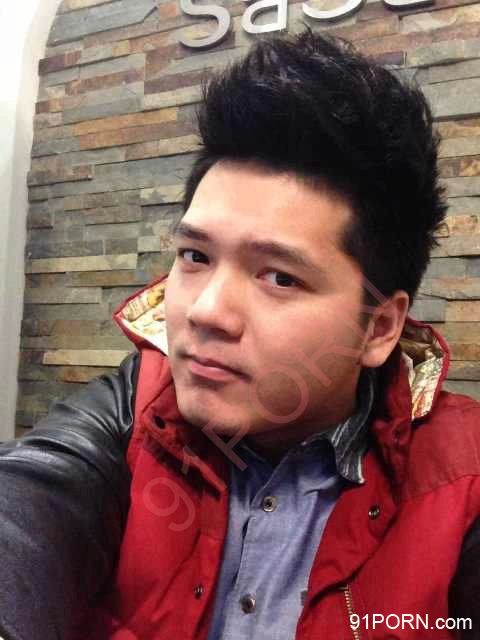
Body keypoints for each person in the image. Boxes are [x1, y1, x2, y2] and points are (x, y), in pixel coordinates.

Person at [1, 26, 479, 639]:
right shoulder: (131, 413)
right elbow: (28, 502)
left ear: (378, 328)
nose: (206, 312)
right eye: (195, 257)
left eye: (279, 277)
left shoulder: (462, 481)